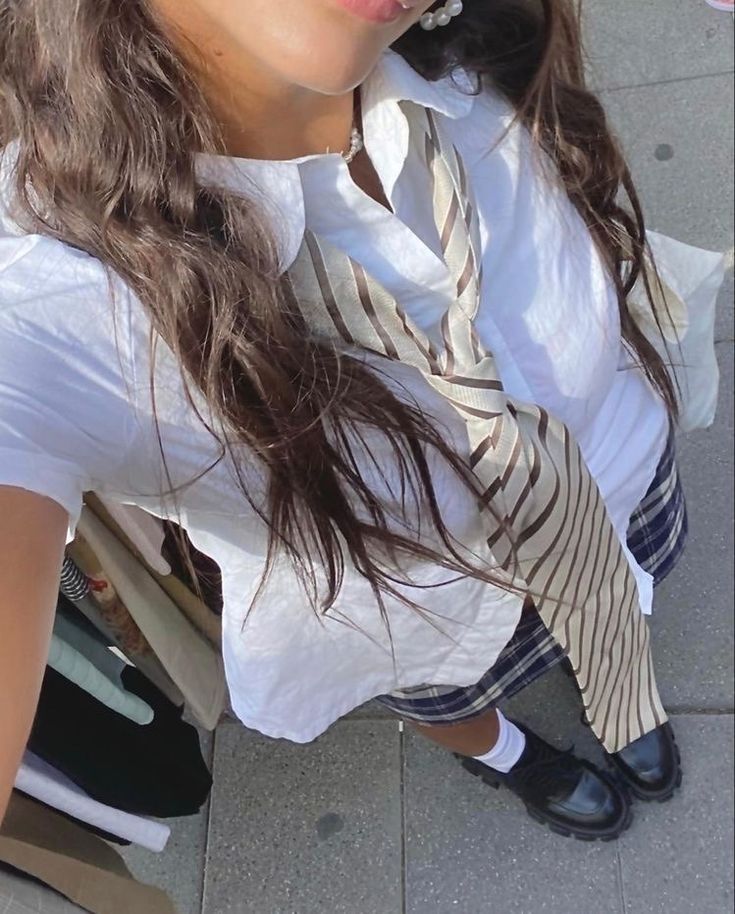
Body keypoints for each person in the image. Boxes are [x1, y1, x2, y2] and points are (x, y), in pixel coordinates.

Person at [0, 0, 720, 844]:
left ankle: (622, 702)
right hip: (425, 609)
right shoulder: (57, 303)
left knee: (615, 620)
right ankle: (510, 754)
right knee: (449, 696)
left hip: (609, 485)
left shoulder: (478, 49)